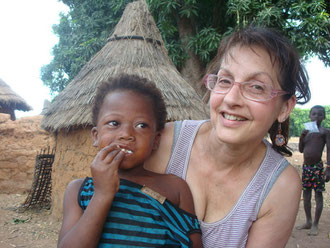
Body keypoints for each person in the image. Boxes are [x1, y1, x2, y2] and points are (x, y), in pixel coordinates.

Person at [145, 26, 311, 248]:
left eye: (256, 87)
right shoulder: (162, 142)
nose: (232, 99)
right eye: (224, 80)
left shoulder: (280, 186)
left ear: (285, 108)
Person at [57, 74, 203, 248]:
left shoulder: (175, 188)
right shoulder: (78, 190)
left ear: (155, 140)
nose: (126, 134)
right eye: (114, 123)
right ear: (96, 136)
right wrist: (103, 194)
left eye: (141, 125)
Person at [296, 105, 330, 236]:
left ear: (324, 117)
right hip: (306, 167)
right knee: (306, 195)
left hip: (317, 168)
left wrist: (328, 168)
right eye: (314, 114)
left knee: (318, 195)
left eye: (320, 114)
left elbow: (329, 150)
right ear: (310, 116)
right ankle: (308, 221)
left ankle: (315, 224)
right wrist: (301, 137)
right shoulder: (307, 132)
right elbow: (300, 150)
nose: (316, 116)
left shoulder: (325, 132)